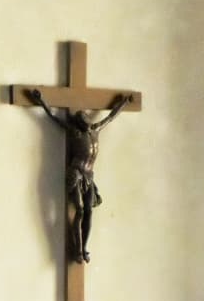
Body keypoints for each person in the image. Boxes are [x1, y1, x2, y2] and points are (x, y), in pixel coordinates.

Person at [28, 89, 134, 263]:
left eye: (86, 119)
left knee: (88, 211)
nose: (86, 122)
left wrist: (123, 103)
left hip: (89, 176)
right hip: (75, 173)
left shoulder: (96, 129)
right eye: (82, 120)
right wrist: (41, 101)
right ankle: (77, 250)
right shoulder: (74, 132)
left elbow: (111, 116)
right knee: (79, 209)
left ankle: (84, 248)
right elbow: (54, 118)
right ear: (78, 123)